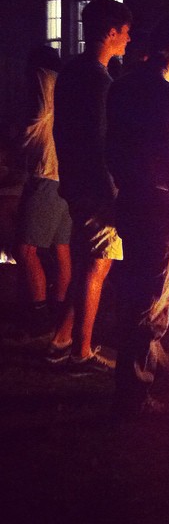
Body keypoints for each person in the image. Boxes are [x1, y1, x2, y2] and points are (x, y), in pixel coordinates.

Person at [106, 11, 169, 417]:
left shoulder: (123, 87)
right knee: (150, 304)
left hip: (131, 202)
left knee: (135, 294)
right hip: (162, 211)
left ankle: (154, 367)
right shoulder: (167, 96)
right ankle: (133, 396)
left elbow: (112, 149)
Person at [48, 0, 132, 372]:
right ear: (111, 32)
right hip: (96, 187)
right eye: (126, 33)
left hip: (75, 181)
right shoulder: (100, 81)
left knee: (85, 262)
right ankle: (81, 352)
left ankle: (61, 339)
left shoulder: (71, 73)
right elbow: (102, 141)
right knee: (98, 264)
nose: (128, 41)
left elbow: (64, 132)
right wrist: (114, 190)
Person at [15, 46, 73, 338]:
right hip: (64, 176)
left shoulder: (43, 79)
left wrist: (22, 135)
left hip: (46, 175)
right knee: (62, 249)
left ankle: (38, 316)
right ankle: (59, 311)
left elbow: (37, 115)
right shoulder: (67, 85)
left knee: (25, 250)